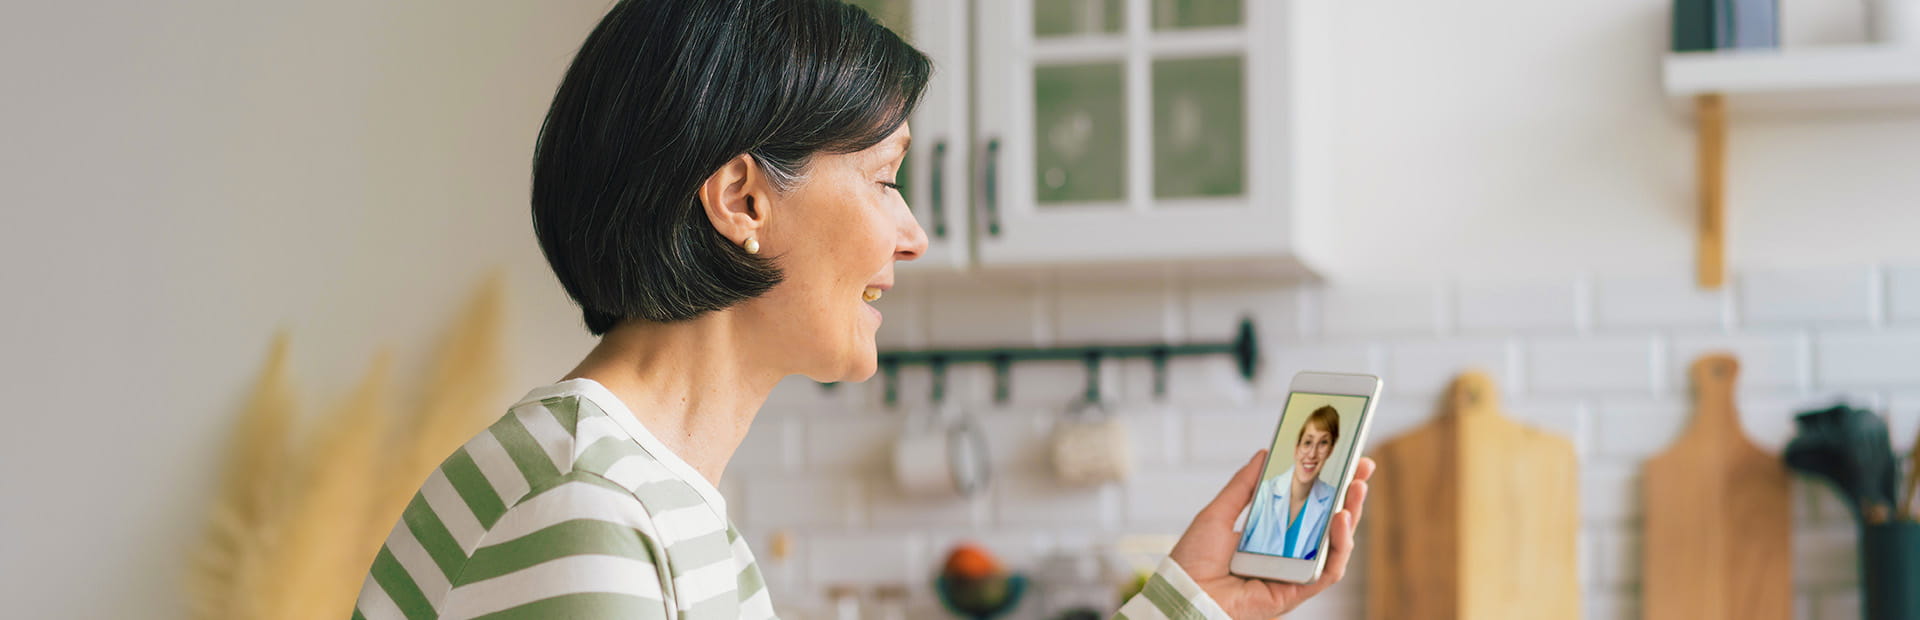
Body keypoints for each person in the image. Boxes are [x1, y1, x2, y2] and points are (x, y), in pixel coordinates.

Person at [349, 1, 1373, 618]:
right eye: (886, 179)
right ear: (744, 199)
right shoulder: (583, 508)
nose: (915, 232)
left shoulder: (648, 495)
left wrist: (1198, 596)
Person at [1240, 406, 1342, 560]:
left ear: (1331, 450)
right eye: (1307, 442)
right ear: (1297, 448)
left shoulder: (1333, 502)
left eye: (1323, 443)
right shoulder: (1265, 492)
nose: (1312, 454)